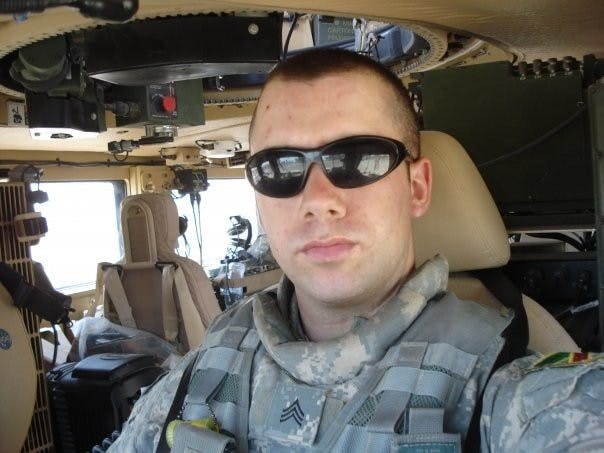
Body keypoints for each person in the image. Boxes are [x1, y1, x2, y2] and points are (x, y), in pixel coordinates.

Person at [109, 48, 603, 452]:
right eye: (280, 168)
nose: (318, 200)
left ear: (417, 188)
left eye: (358, 158)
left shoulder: (509, 388)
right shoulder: (201, 372)